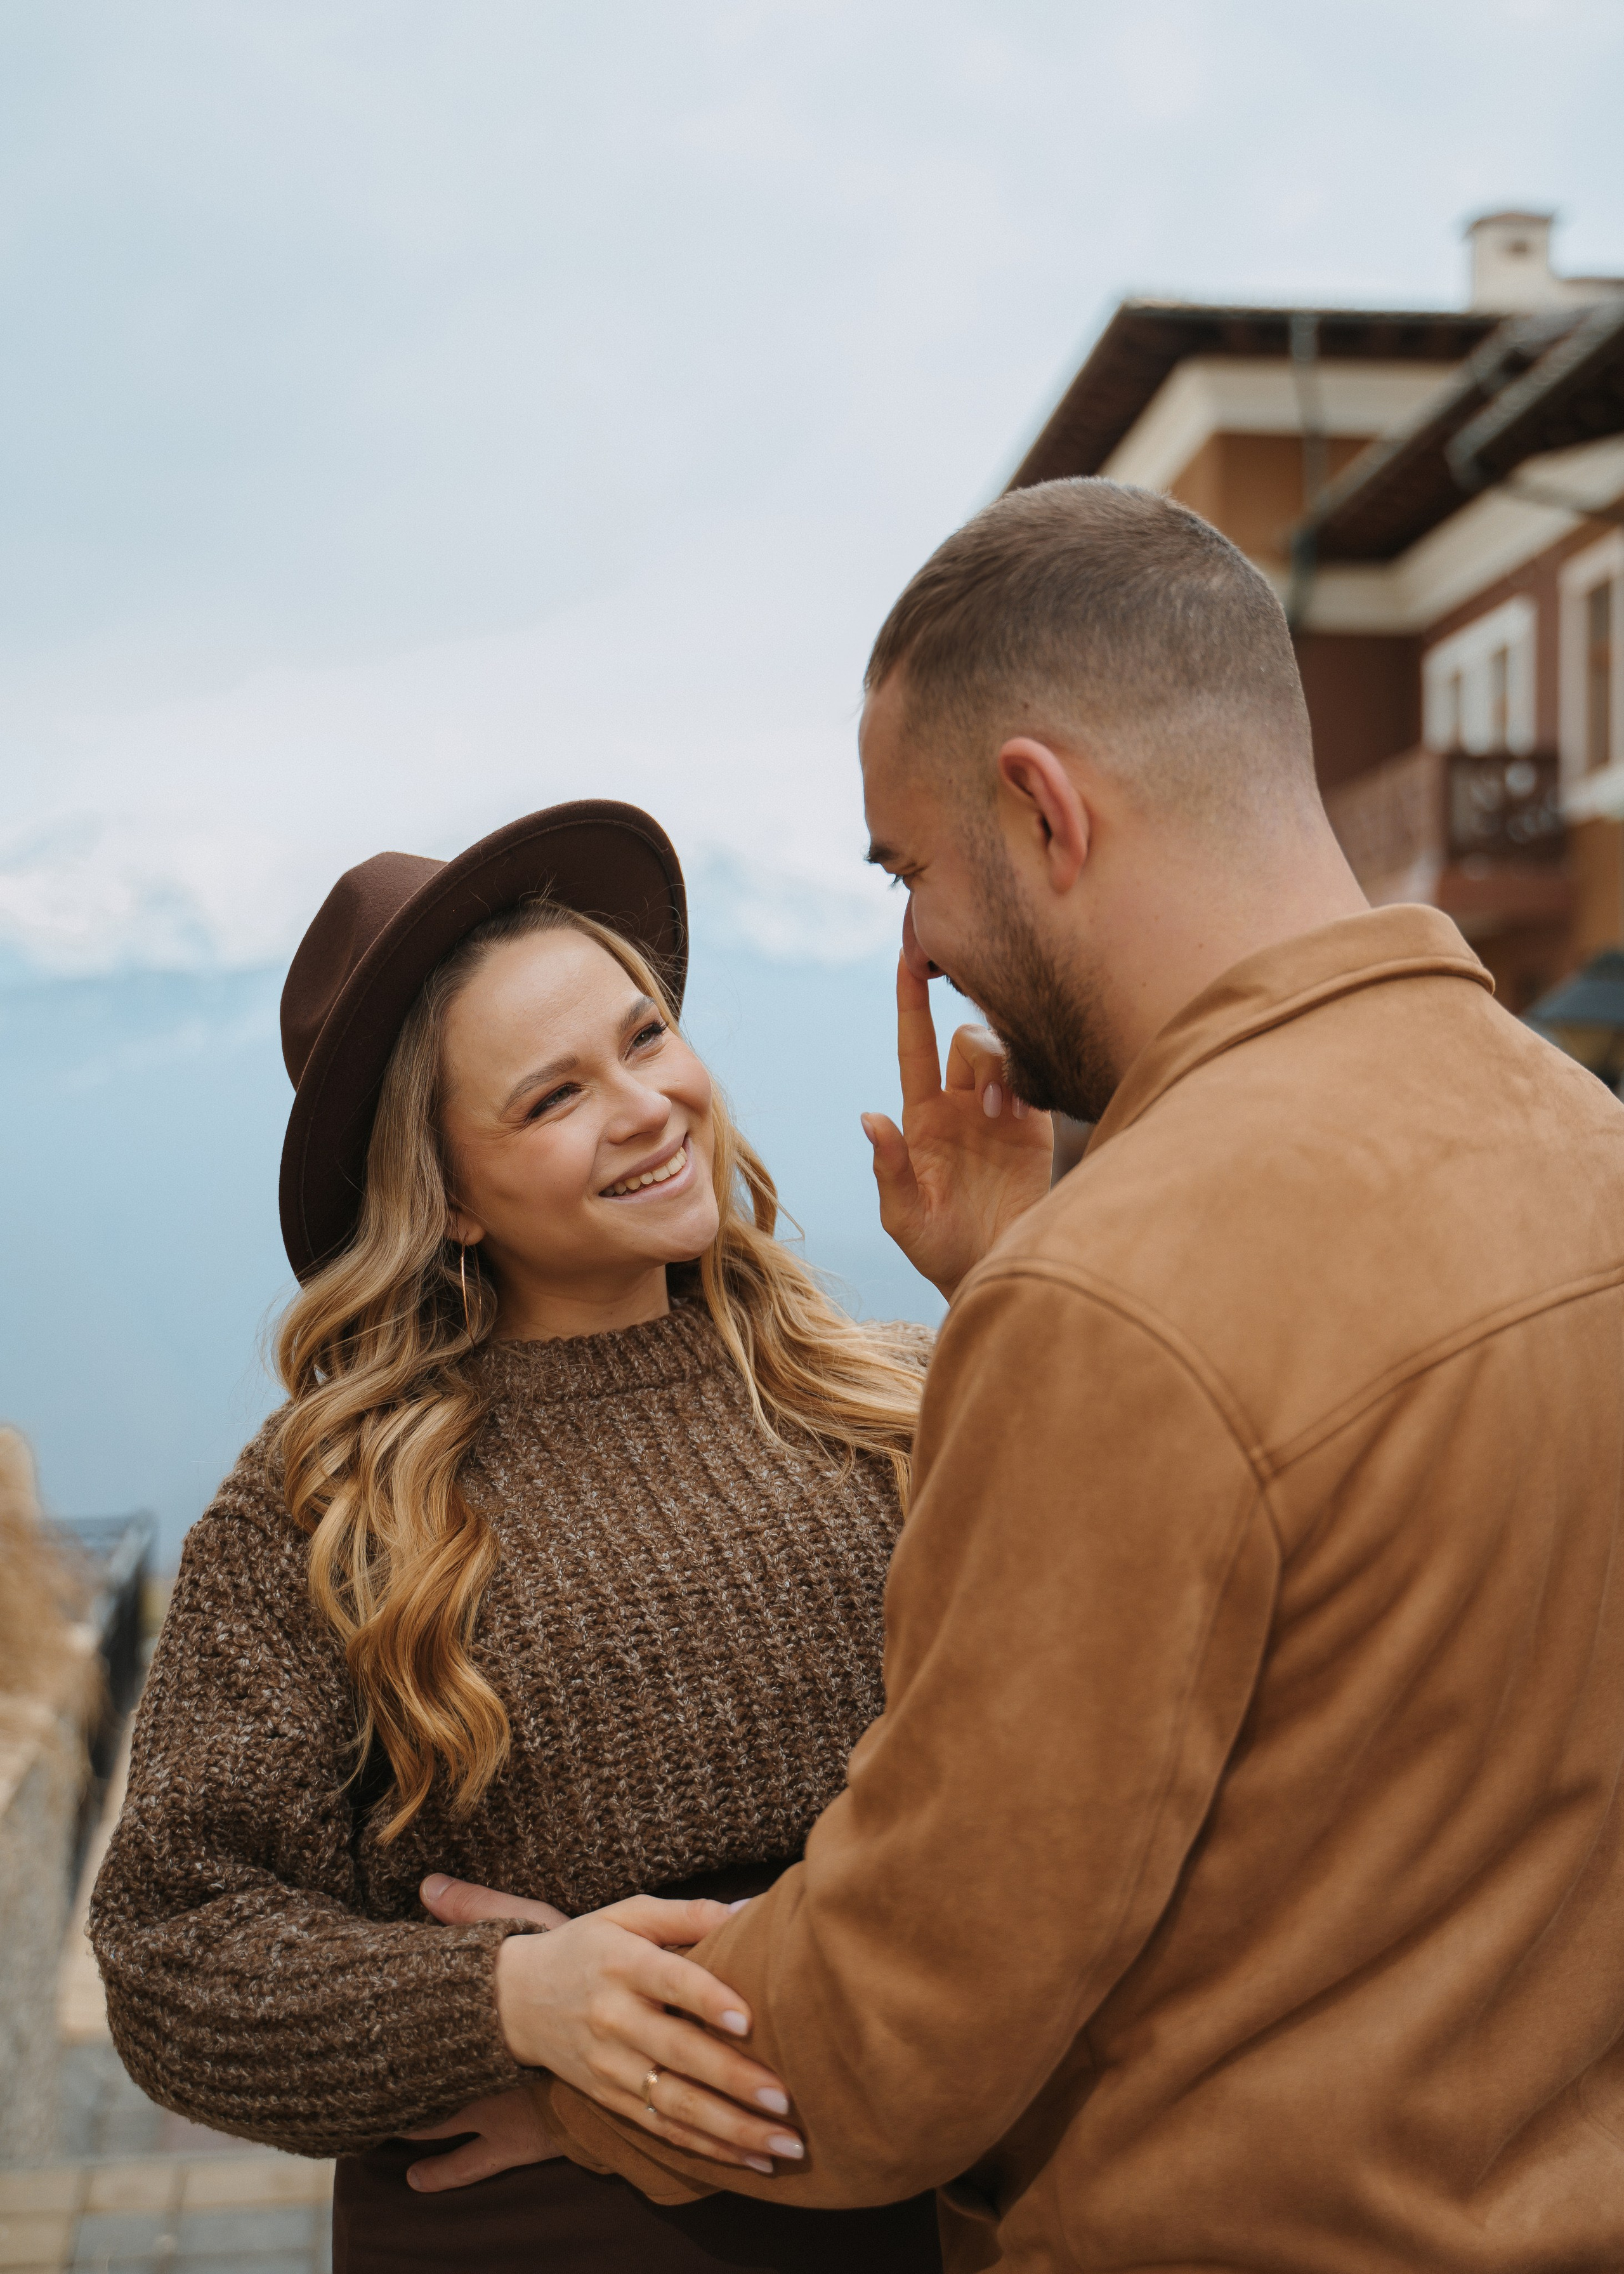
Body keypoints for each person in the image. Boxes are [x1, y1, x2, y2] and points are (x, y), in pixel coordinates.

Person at [447, 480, 1624, 2273]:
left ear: (1042, 808)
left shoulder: (1123, 1296)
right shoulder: (1583, 1143)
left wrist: (586, 2074)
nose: (926, 954)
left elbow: (917, 2007)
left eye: (912, 871)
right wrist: (1023, 1286)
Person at [89, 799, 1052, 2274]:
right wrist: (510, 2001)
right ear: (451, 1199)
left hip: (918, 2184)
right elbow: (170, 1952)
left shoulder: (895, 1389)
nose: (649, 1104)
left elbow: (1089, 1716)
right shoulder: (329, 1506)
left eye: (646, 1034)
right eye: (551, 1097)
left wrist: (1005, 1289)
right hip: (543, 2231)